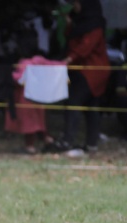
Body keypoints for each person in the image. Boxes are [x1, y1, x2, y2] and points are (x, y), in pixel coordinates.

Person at [55, 0, 110, 157]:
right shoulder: (81, 22)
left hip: (91, 70)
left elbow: (85, 47)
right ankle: (91, 144)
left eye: (77, 3)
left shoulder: (94, 25)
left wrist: (68, 59)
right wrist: (69, 23)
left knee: (73, 101)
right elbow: (70, 38)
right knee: (91, 105)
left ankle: (68, 141)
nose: (75, 6)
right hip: (86, 68)